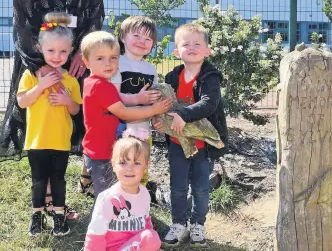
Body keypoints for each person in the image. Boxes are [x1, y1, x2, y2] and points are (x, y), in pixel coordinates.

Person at [0, 0, 104, 207]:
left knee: (83, 117)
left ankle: (87, 177)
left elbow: (96, 11)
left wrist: (84, 52)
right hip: (43, 59)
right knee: (47, 126)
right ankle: (49, 199)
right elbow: (22, 22)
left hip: (80, 60)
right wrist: (39, 65)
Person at [153, 23, 228, 248]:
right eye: (186, 44)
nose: (192, 47)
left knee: (200, 186)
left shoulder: (210, 77)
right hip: (177, 142)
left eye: (198, 44)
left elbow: (209, 104)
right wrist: (160, 122)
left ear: (208, 50)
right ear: (177, 52)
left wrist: (183, 114)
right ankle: (179, 224)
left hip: (203, 144)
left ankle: (198, 224)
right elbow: (165, 106)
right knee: (177, 185)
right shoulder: (172, 77)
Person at [80, 31, 172, 199]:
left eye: (113, 58)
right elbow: (124, 112)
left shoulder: (95, 83)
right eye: (100, 58)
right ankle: (103, 223)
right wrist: (154, 110)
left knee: (112, 192)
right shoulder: (101, 87)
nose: (108, 63)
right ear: (86, 62)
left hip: (101, 149)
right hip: (102, 153)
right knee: (106, 196)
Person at [17, 13, 82, 237]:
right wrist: (41, 86)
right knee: (38, 180)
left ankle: (59, 216)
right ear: (40, 49)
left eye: (63, 51)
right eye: (51, 51)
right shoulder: (31, 75)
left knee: (58, 180)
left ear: (71, 51)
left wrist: (67, 101)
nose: (57, 56)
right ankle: (36, 217)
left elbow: (75, 110)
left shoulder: (70, 80)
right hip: (36, 140)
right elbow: (23, 101)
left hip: (60, 141)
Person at [84, 131, 161, 251]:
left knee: (151, 238)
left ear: (146, 166)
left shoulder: (145, 193)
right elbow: (95, 236)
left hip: (133, 245)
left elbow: (146, 225)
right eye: (123, 162)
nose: (130, 168)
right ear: (114, 165)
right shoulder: (107, 198)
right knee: (151, 238)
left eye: (136, 163)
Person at [110, 16, 161, 187]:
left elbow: (154, 96)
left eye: (148, 39)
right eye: (137, 36)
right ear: (123, 37)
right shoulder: (117, 63)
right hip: (119, 126)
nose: (142, 41)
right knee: (121, 162)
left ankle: (139, 197)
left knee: (141, 161)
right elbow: (112, 96)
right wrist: (136, 99)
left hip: (143, 126)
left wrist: (156, 116)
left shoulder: (151, 69)